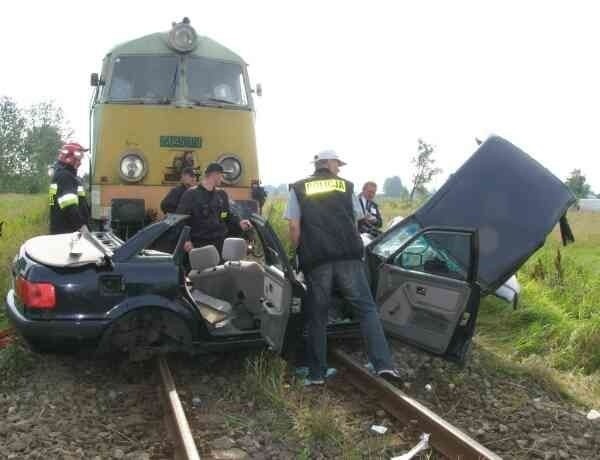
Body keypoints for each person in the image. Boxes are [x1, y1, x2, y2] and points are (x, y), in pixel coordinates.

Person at [285, 149, 400, 386]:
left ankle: (316, 374)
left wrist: (297, 253)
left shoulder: (297, 188)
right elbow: (357, 219)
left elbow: (294, 228)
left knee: (317, 315)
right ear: (327, 163)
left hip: (317, 260)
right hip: (348, 256)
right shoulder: (346, 186)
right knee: (366, 309)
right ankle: (384, 365)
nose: (339, 168)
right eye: (338, 164)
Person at [176, 162, 252, 253]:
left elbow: (226, 215)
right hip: (200, 245)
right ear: (215, 175)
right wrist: (186, 240)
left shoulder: (221, 195)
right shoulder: (191, 194)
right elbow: (180, 219)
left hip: (220, 243)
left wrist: (239, 222)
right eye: (221, 175)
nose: (222, 178)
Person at [49, 142, 90, 234]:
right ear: (69, 159)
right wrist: (81, 226)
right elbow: (69, 205)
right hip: (68, 232)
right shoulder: (65, 177)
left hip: (62, 229)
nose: (80, 163)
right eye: (78, 160)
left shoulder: (60, 175)